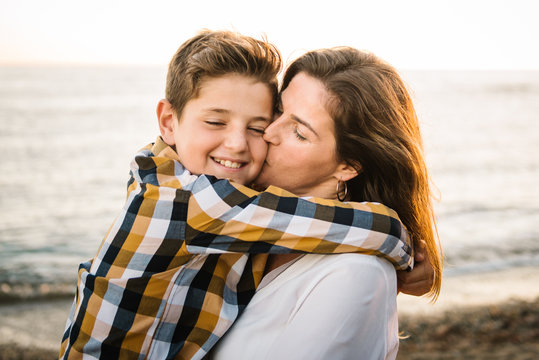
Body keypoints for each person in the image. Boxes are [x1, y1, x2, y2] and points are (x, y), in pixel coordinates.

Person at [59, 31, 415, 360]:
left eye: (259, 124)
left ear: (349, 164)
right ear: (168, 122)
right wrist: (408, 250)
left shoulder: (347, 271)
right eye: (216, 122)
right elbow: (381, 231)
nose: (244, 141)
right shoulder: (185, 201)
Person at [209, 47, 442, 359]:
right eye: (277, 110)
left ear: (348, 164)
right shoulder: (241, 222)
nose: (268, 132)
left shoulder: (356, 274)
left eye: (300, 133)